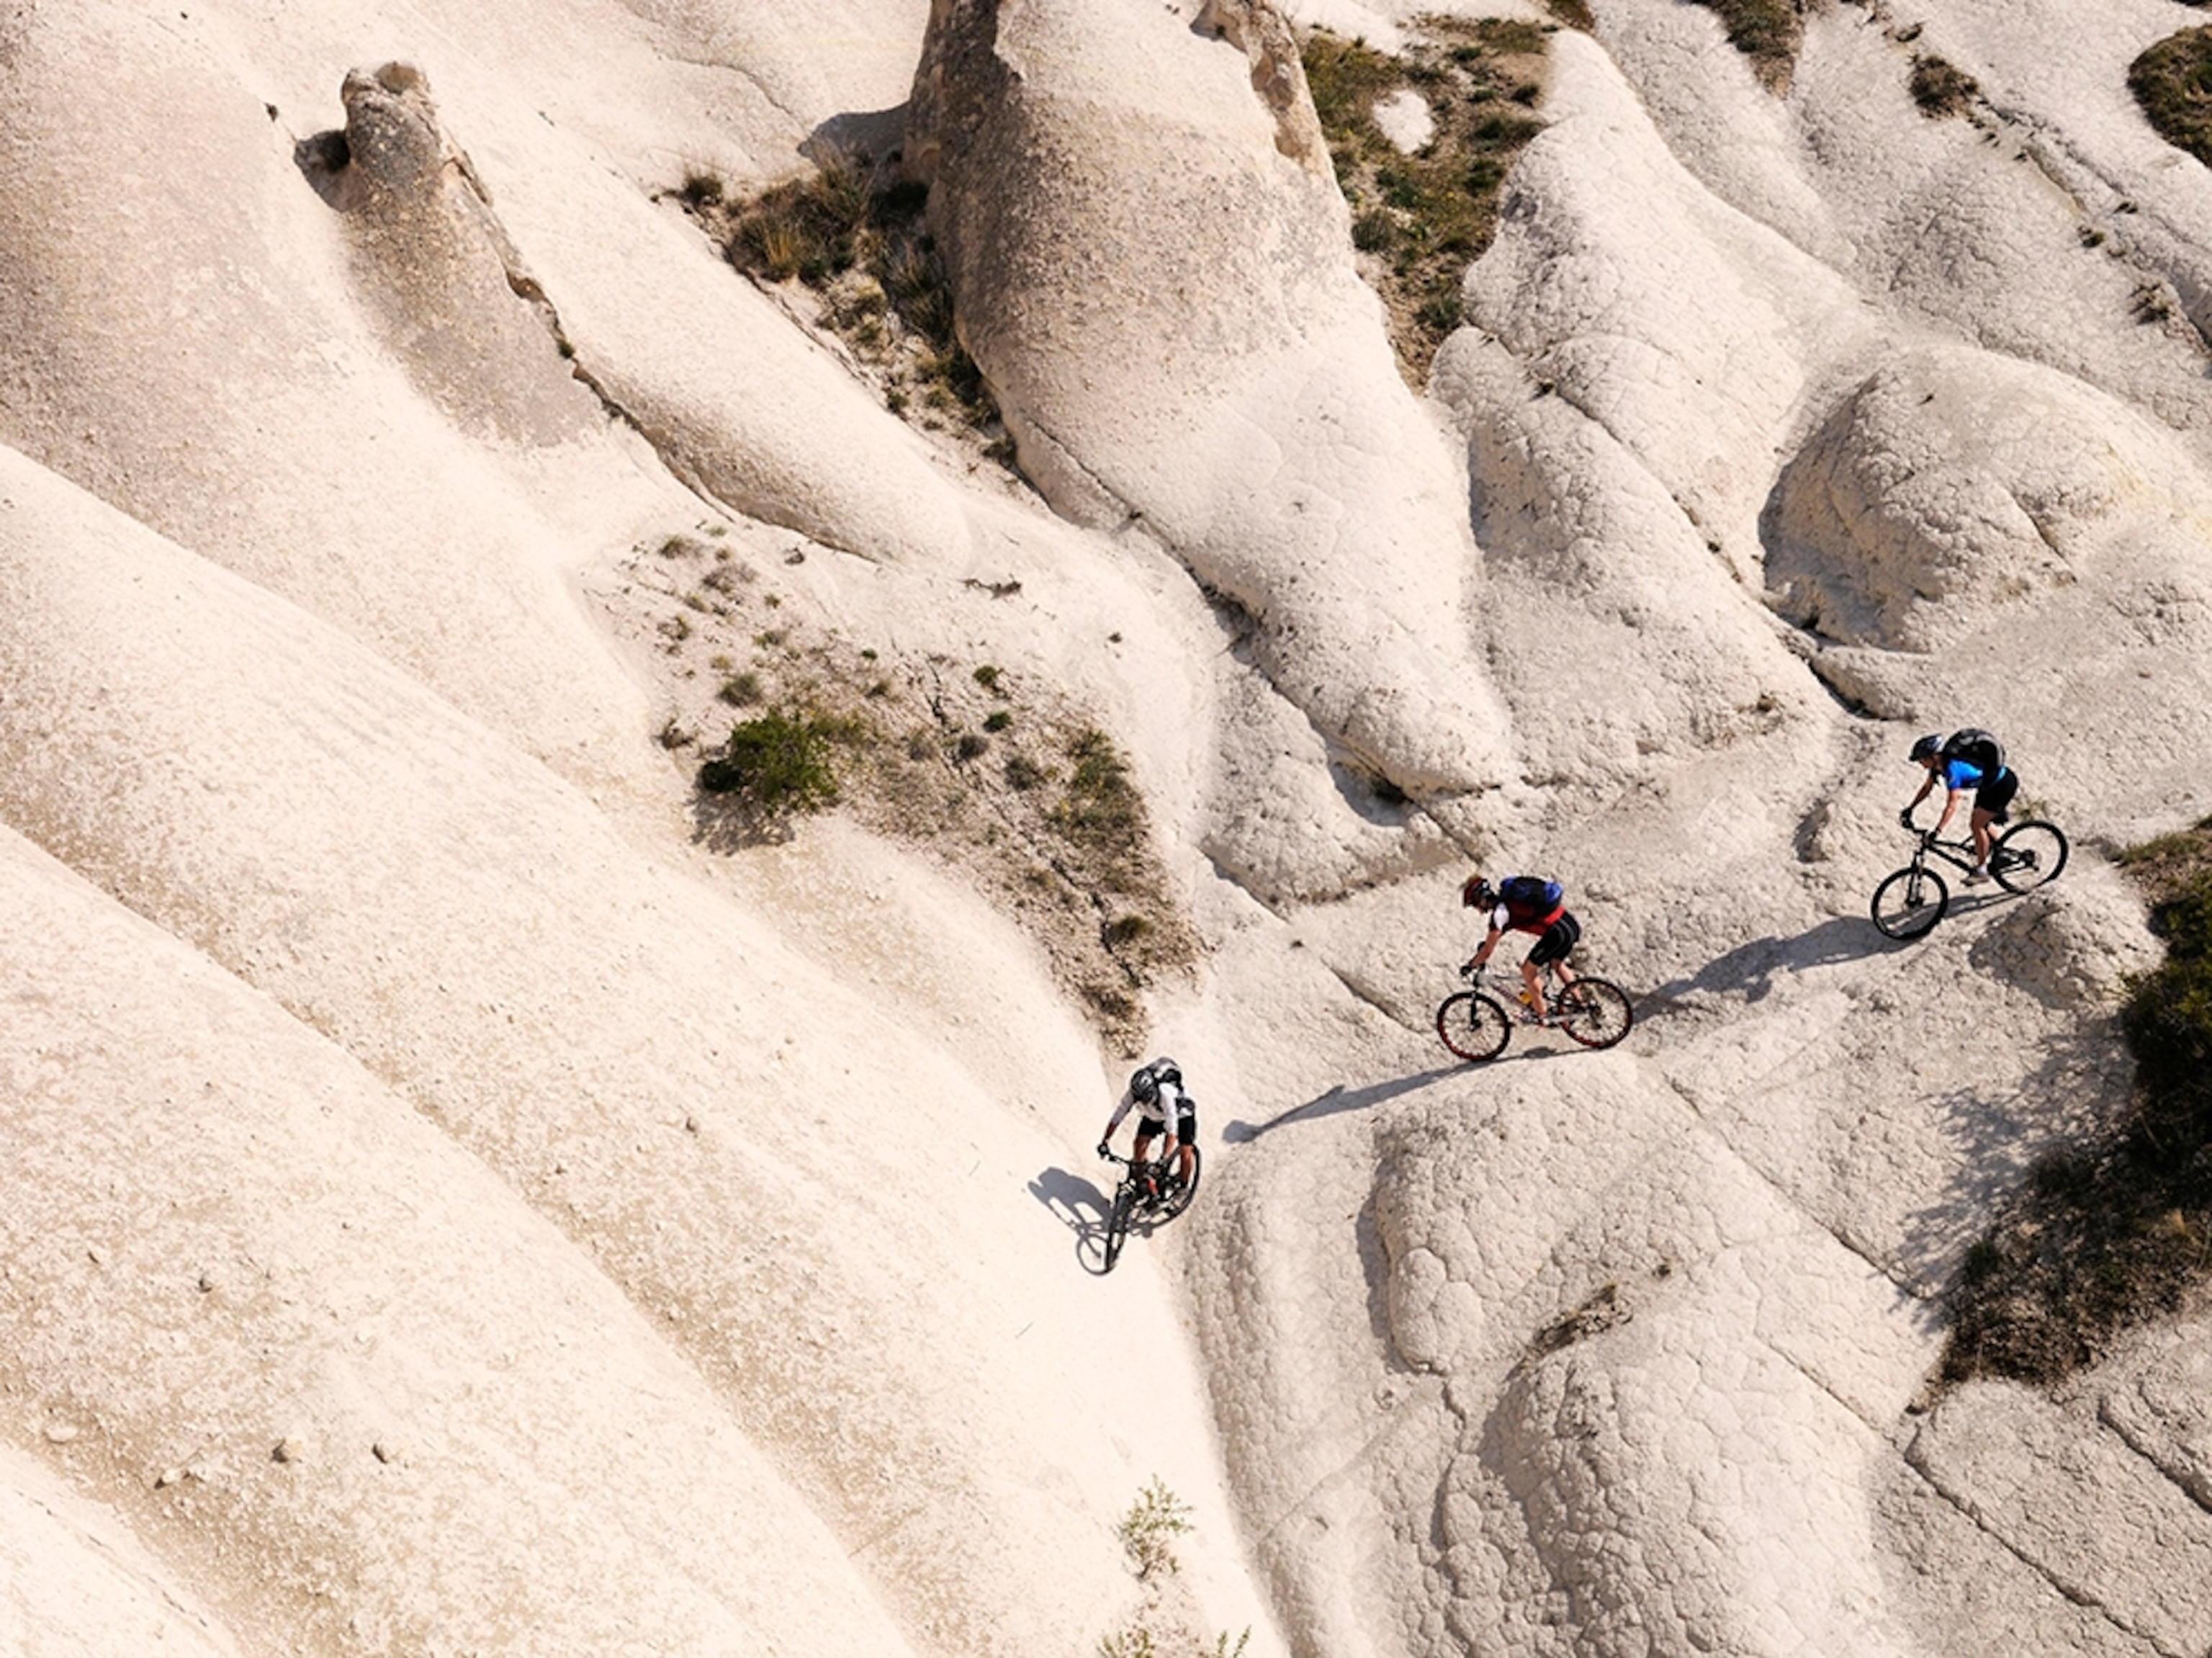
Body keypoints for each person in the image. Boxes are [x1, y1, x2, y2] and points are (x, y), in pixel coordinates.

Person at [1901, 729, 2018, 883]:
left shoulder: (1952, 769)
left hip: (2002, 785)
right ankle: (2002, 853)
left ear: (1934, 757)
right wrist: (1910, 808)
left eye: (1922, 759)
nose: (1921, 763)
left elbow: (1952, 804)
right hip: (1988, 786)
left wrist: (1938, 830)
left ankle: (1982, 871)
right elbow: (1926, 789)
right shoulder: (1937, 768)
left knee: (1976, 825)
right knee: (1981, 821)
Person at [1462, 873, 1581, 1024]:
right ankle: (1581, 1003)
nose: (1477, 909)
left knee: (1528, 970)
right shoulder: (1509, 905)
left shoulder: (1500, 914)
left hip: (1557, 933)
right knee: (1557, 964)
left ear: (1482, 899)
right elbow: (1492, 941)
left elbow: (1488, 951)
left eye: (1475, 904)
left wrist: (1471, 965)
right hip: (1569, 924)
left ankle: (1541, 1015)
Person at [1097, 1058, 1197, 1201]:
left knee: (1185, 1151)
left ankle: (1183, 1187)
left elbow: (1172, 1129)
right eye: (1141, 1099)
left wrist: (1165, 1157)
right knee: (1139, 1144)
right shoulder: (1134, 1092)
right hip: (1154, 1115)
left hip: (1181, 1114)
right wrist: (1105, 1141)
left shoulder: (1165, 1093)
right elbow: (1119, 1114)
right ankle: (1142, 1183)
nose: (1143, 1102)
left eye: (1146, 1098)